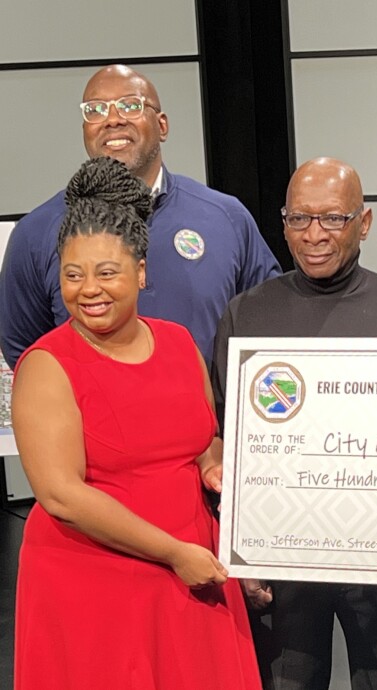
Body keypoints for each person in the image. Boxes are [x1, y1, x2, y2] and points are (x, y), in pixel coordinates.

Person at [12, 157, 260, 689]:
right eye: (73, 274)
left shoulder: (177, 342)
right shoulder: (46, 365)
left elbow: (201, 443)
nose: (89, 289)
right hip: (94, 579)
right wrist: (173, 553)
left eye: (107, 272)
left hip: (192, 564)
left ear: (142, 273)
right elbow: (61, 496)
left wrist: (219, 472)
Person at [212, 157, 377, 690]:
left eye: (333, 218)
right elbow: (224, 438)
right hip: (283, 560)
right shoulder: (246, 313)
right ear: (282, 224)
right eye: (299, 219)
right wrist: (239, 550)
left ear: (365, 222)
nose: (314, 235)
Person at [0, 64, 280, 370]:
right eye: (95, 110)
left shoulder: (226, 217)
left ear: (162, 126)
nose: (112, 119)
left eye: (131, 105)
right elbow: (25, 350)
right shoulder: (36, 233)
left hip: (204, 414)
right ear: (84, 130)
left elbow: (269, 321)